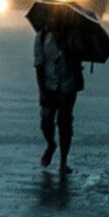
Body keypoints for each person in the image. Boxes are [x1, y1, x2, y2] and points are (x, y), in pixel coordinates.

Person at [34, 14, 84, 175]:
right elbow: (39, 65)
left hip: (68, 86)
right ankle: (51, 144)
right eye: (49, 18)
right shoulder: (41, 38)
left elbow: (80, 56)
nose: (51, 21)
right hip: (48, 86)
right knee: (46, 121)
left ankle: (63, 161)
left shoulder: (73, 37)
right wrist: (42, 91)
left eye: (55, 18)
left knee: (65, 122)